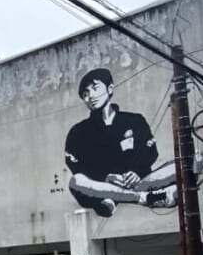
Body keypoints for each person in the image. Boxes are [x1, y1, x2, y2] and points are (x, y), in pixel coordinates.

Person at [64, 68, 179, 217]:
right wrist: (105, 177)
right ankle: (144, 198)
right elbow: (77, 167)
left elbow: (150, 150)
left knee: (187, 161)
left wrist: (137, 172)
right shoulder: (78, 132)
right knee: (76, 182)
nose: (90, 96)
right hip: (104, 186)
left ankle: (114, 200)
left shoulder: (135, 120)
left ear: (110, 88)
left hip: (142, 182)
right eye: (85, 94)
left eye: (95, 88)